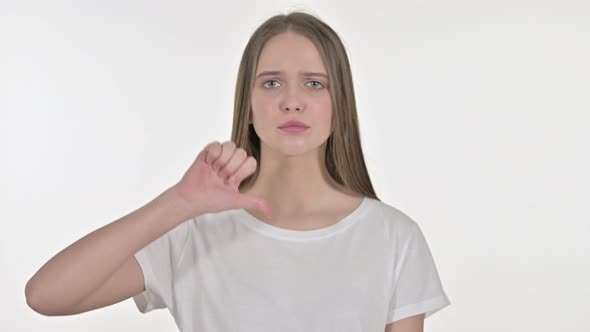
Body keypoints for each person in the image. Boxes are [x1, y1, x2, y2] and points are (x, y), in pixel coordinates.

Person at [25, 10, 451, 332]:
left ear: (341, 105)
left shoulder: (393, 237)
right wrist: (178, 203)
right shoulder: (196, 231)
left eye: (315, 83)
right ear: (247, 106)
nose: (292, 101)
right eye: (271, 83)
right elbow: (46, 296)